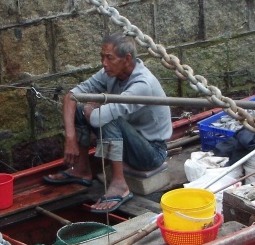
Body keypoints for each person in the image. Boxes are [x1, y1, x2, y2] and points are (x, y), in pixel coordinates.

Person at [43, 33, 172, 213]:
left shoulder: (143, 84)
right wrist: (70, 137)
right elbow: (71, 96)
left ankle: (119, 185)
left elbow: (98, 118)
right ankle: (81, 169)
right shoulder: (110, 73)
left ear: (126, 59)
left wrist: (93, 110)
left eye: (109, 58)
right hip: (129, 142)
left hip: (151, 153)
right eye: (102, 57)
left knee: (107, 117)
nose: (104, 63)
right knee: (81, 111)